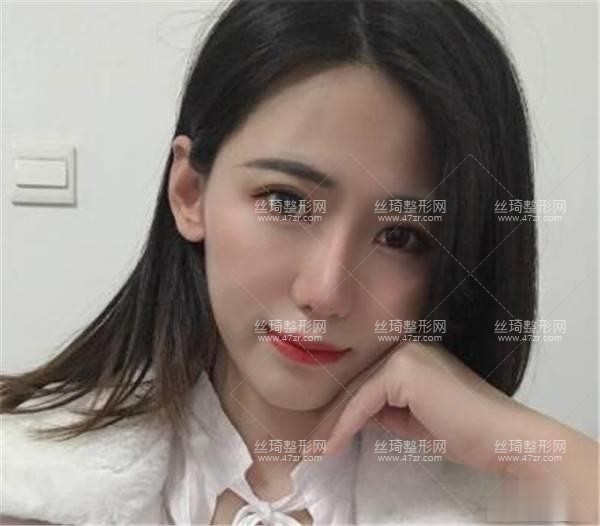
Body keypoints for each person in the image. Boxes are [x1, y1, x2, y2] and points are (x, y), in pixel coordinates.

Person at [1, 0, 598, 524]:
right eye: (286, 202)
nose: (326, 290)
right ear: (189, 191)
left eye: (400, 236)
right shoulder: (26, 481)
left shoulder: (508, 499)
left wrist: (531, 445)